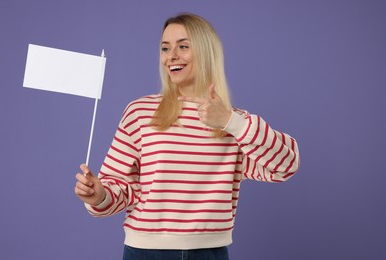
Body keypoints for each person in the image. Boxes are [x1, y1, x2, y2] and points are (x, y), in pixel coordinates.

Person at [75, 13, 299, 260]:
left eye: (183, 46)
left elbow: (286, 166)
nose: (171, 56)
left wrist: (230, 122)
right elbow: (121, 187)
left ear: (206, 52)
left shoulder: (235, 122)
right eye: (165, 48)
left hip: (209, 253)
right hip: (145, 253)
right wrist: (99, 196)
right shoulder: (139, 112)